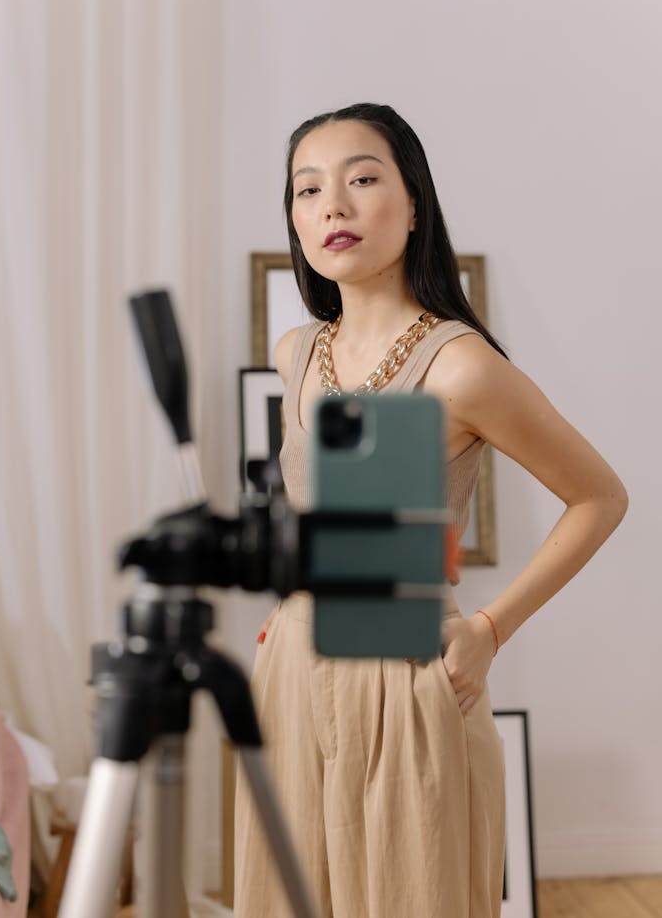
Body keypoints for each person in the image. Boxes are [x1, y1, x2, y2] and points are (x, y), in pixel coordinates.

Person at [233, 102, 628, 918]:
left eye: (362, 179)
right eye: (307, 190)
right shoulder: (295, 353)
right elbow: (312, 502)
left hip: (406, 676)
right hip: (292, 674)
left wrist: (487, 631)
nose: (331, 205)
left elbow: (599, 497)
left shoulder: (461, 367)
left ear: (414, 205)